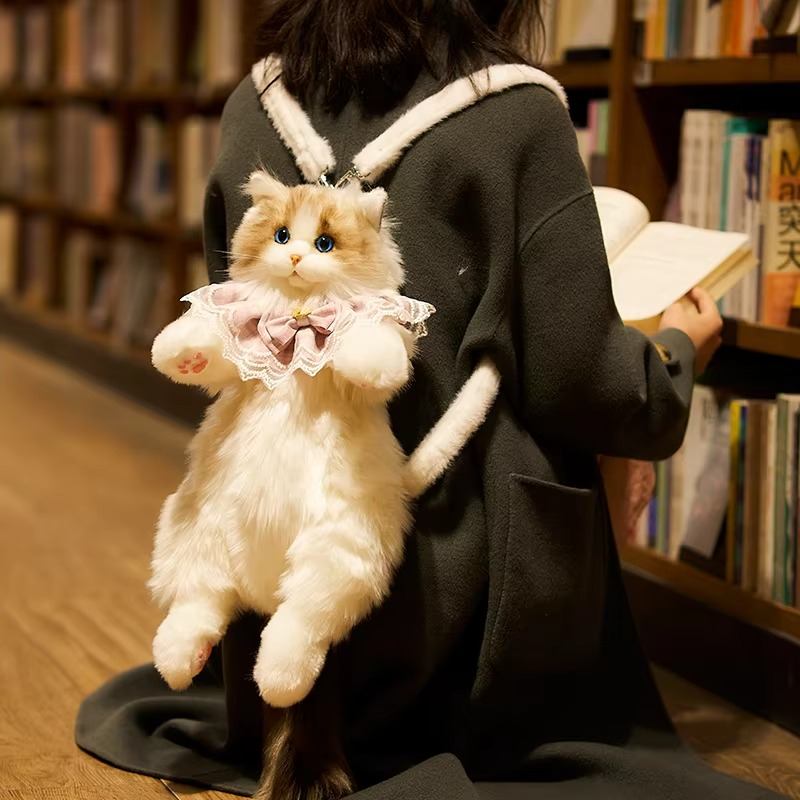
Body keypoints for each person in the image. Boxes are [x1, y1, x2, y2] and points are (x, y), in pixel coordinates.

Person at [76, 2, 783, 799]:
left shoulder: (252, 104)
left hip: (267, 565)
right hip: (455, 616)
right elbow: (583, 382)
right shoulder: (517, 114)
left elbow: (240, 326)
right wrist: (676, 354)